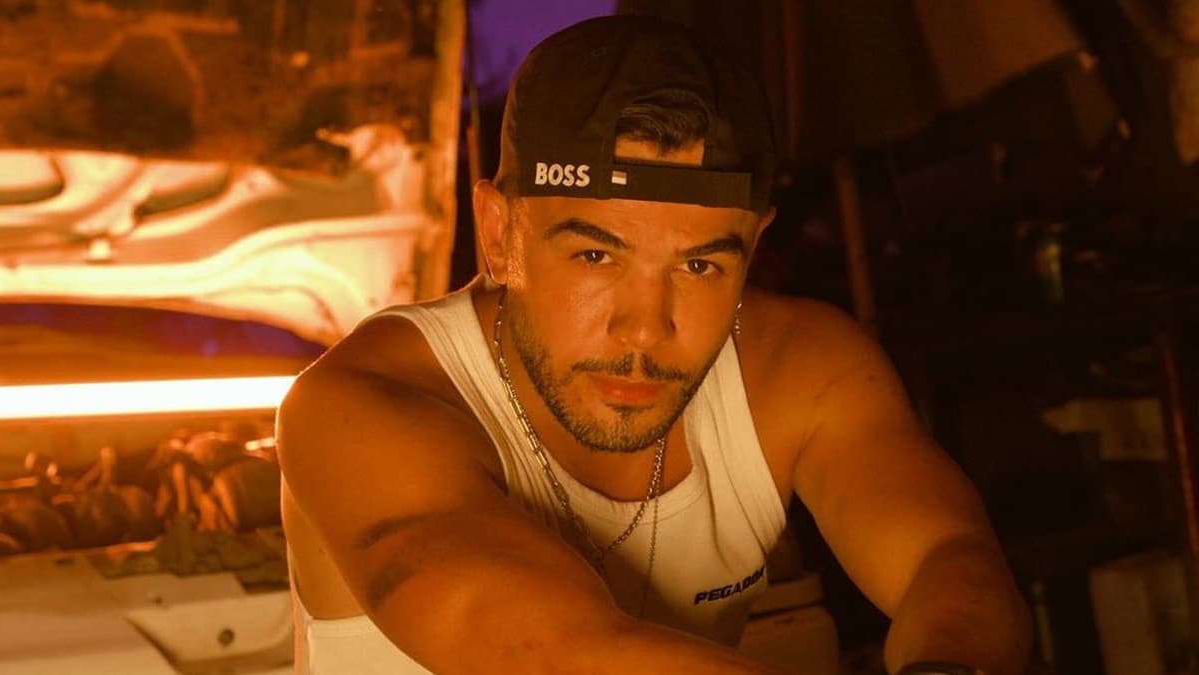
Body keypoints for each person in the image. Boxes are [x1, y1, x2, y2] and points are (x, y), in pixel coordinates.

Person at [277, 15, 1032, 675]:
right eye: (595, 256)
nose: (645, 327)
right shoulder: (357, 408)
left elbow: (948, 558)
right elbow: (560, 654)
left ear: (754, 246)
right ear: (501, 234)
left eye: (699, 266)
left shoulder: (802, 370)